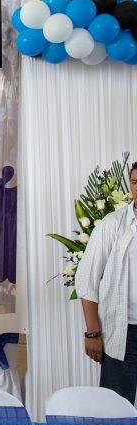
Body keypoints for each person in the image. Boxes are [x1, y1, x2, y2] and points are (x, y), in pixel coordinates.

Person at [75, 162, 137, 404]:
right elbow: (87, 280)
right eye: (134, 182)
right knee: (116, 409)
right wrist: (92, 333)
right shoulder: (112, 224)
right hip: (123, 332)